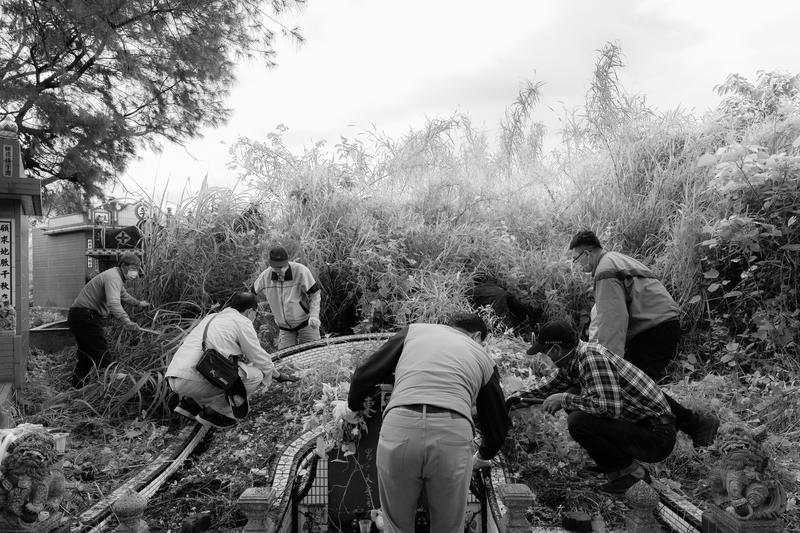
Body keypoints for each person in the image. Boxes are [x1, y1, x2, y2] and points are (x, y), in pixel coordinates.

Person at [336, 313, 510, 533]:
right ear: (477, 337)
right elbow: (496, 425)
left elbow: (365, 373)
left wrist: (351, 407)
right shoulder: (483, 357)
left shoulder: (415, 331)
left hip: (400, 428)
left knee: (396, 527)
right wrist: (482, 456)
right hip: (452, 436)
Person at [569, 229, 720, 446]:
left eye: (576, 259)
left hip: (654, 329)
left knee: (632, 387)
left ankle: (694, 425)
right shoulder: (618, 259)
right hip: (659, 326)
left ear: (587, 253)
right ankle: (680, 429)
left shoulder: (604, 270)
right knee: (640, 387)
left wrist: (608, 362)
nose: (578, 266)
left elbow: (613, 320)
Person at [510, 320, 677, 494]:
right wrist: (511, 401)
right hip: (640, 429)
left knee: (578, 420)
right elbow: (545, 390)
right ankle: (613, 466)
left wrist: (564, 399)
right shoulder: (573, 361)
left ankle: (635, 474)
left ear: (557, 350)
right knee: (574, 393)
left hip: (656, 437)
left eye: (544, 352)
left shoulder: (591, 357)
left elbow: (608, 408)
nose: (544, 357)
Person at [166, 292, 299, 429]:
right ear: (250, 311)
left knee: (229, 367)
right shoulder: (242, 322)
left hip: (174, 375)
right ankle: (215, 413)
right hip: (194, 379)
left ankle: (190, 404)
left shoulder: (212, 317)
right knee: (255, 375)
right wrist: (278, 376)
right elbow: (259, 357)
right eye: (256, 313)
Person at [67, 252, 150, 388]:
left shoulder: (115, 276)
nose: (136, 272)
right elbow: (113, 302)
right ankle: (110, 383)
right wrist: (126, 321)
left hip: (79, 316)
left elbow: (123, 295)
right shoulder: (114, 278)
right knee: (102, 351)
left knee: (86, 354)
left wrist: (139, 303)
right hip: (85, 316)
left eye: (138, 268)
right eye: (134, 268)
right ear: (124, 266)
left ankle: (77, 387)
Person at [252, 246, 322, 350]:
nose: (279, 270)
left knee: (315, 353)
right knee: (285, 360)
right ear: (270, 265)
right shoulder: (265, 277)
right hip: (284, 328)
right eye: (276, 268)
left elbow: (315, 295)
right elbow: (251, 295)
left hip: (306, 323)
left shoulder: (301, 271)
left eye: (282, 267)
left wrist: (314, 316)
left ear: (287, 263)